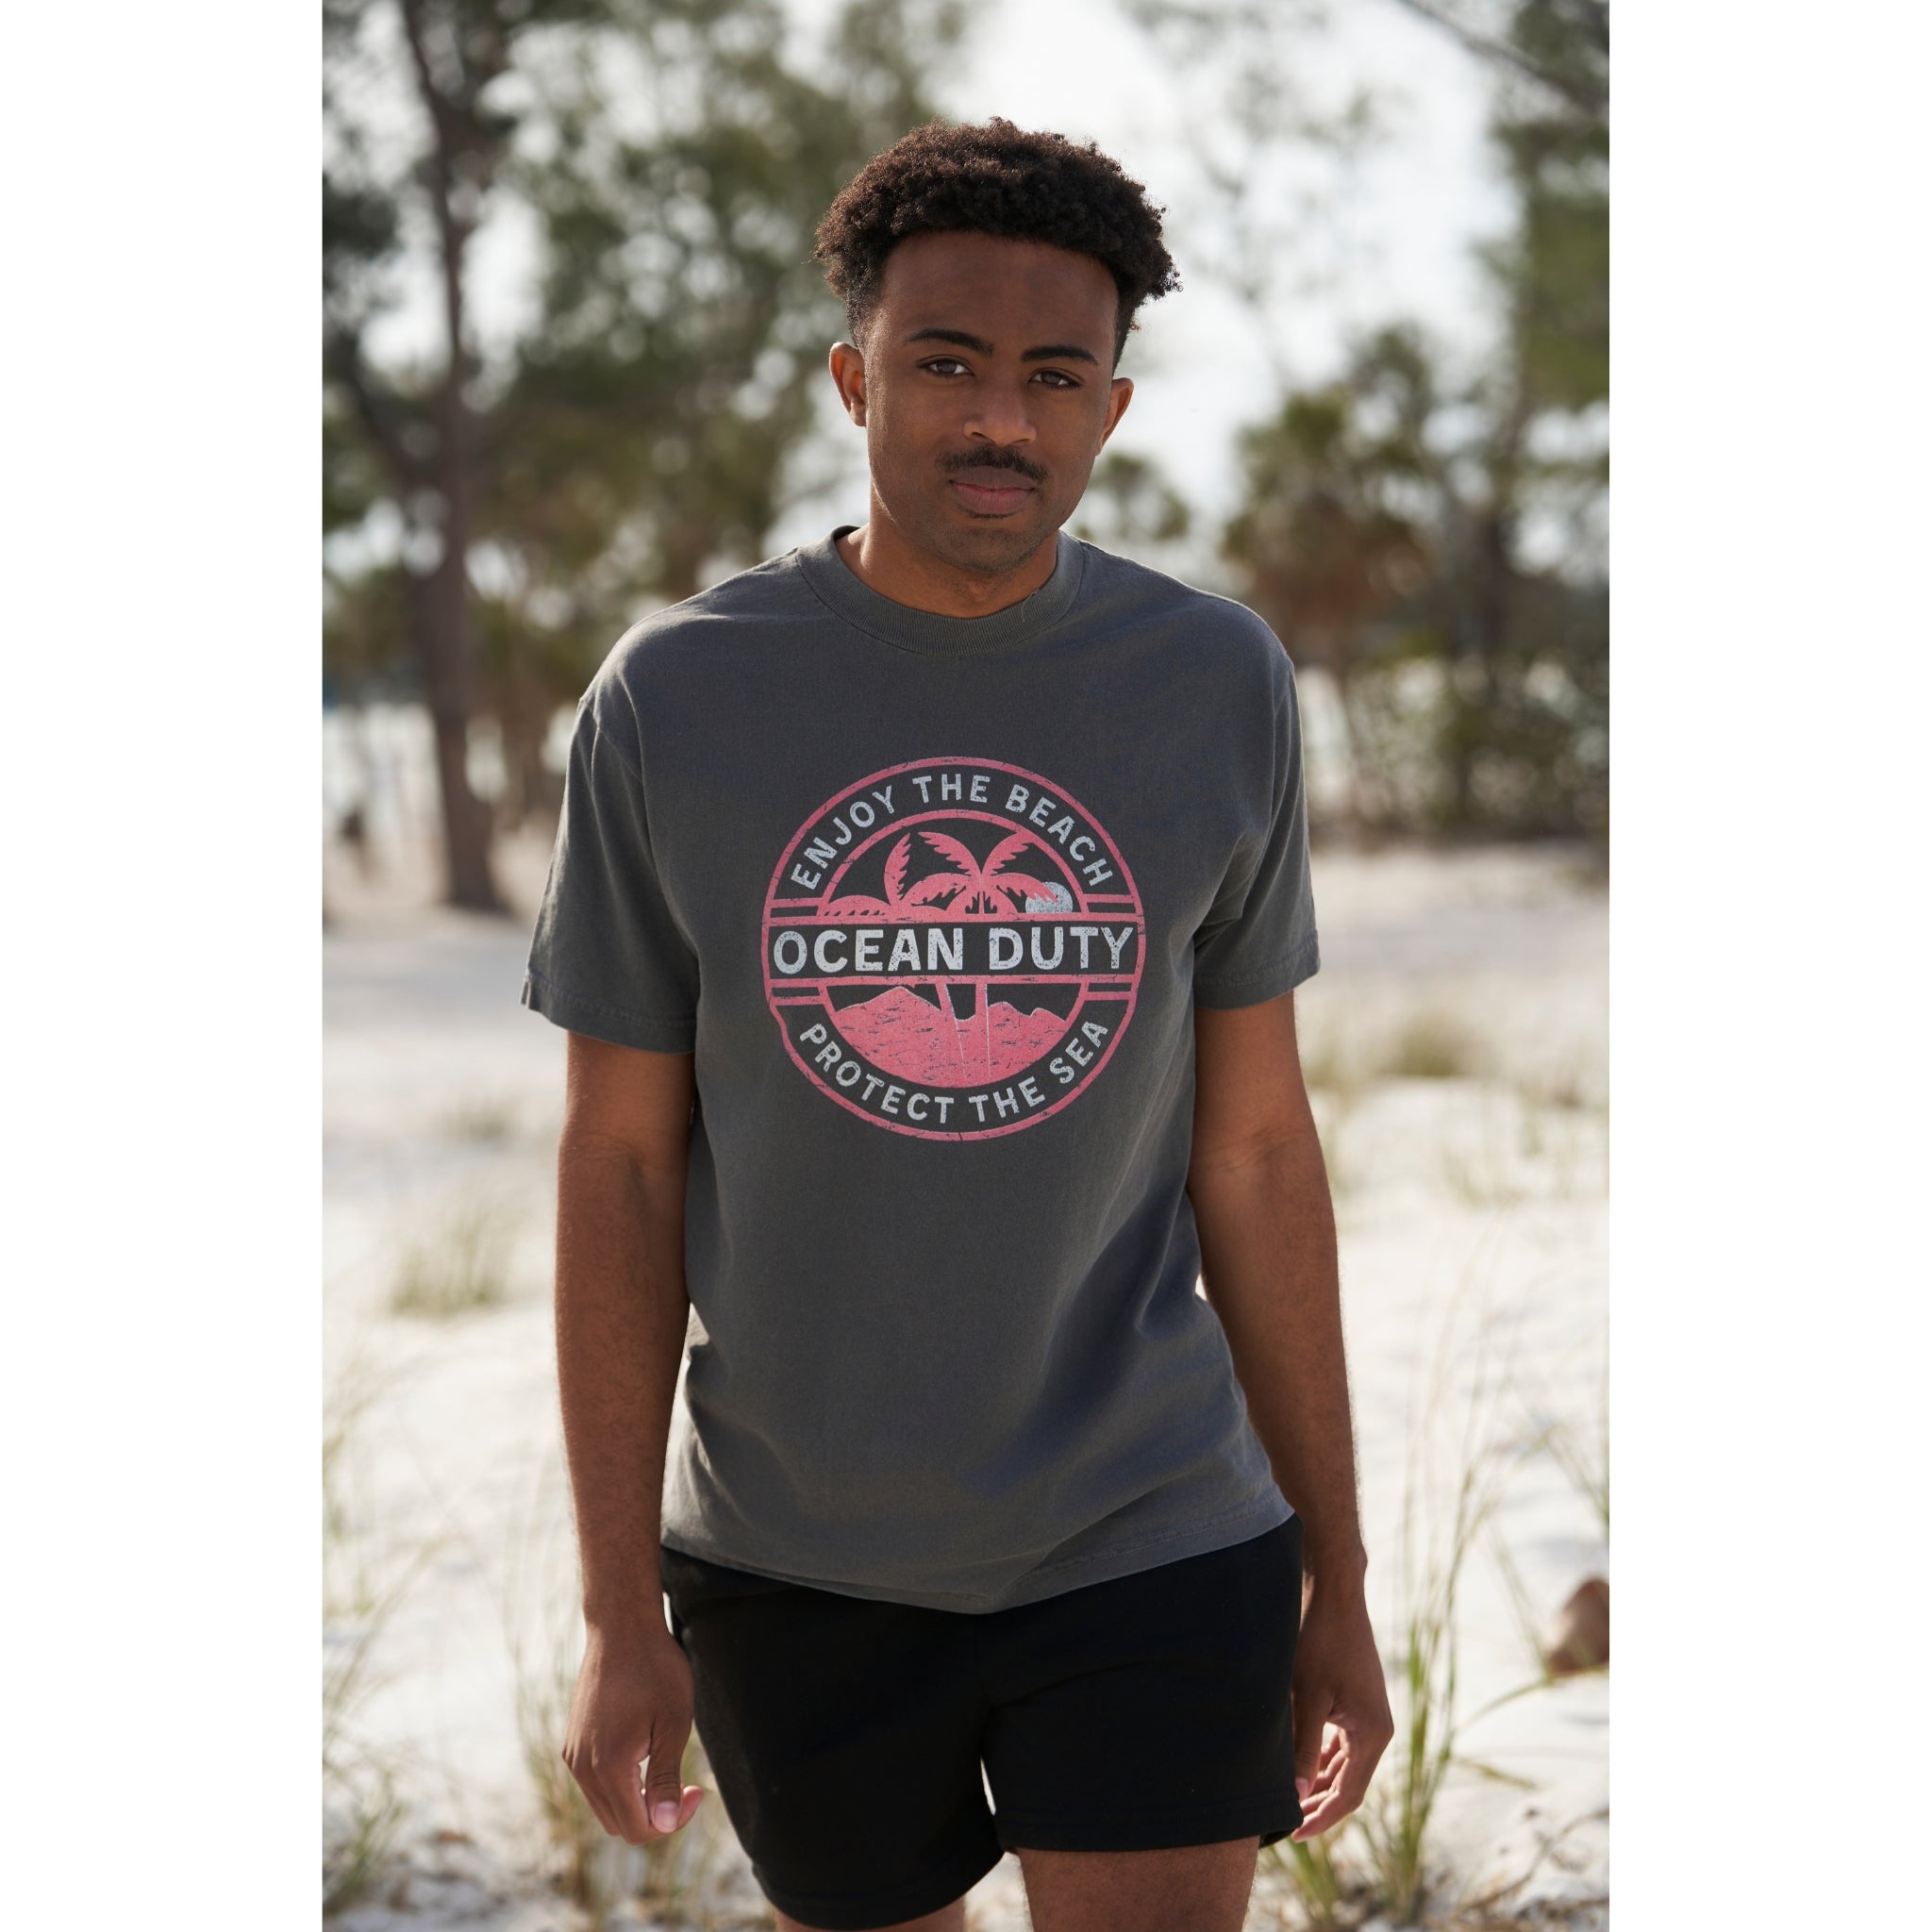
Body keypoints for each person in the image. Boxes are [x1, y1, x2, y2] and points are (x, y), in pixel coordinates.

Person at [522, 118, 1393, 1932]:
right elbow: (618, 1166)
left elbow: (1253, 1145)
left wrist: (1340, 1573)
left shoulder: (1216, 681)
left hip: (1151, 1514)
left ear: (1112, 410)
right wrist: (618, 1611)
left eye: (1054, 375)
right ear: (855, 380)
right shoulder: (676, 701)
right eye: (949, 364)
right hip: (793, 1545)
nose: (1001, 419)